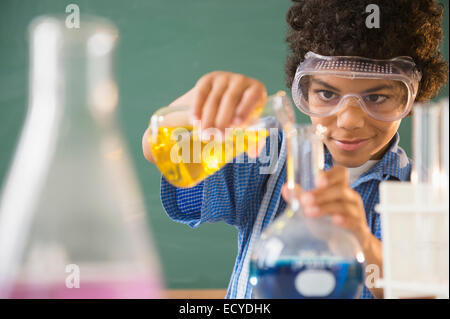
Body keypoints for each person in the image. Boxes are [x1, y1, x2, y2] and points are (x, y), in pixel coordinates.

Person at [142, 0, 448, 299]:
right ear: (304, 91)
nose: (350, 120)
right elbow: (159, 149)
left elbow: (423, 292)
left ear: (411, 99)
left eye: (377, 97)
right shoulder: (265, 152)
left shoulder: (425, 189)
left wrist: (362, 242)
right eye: (327, 93)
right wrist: (199, 105)